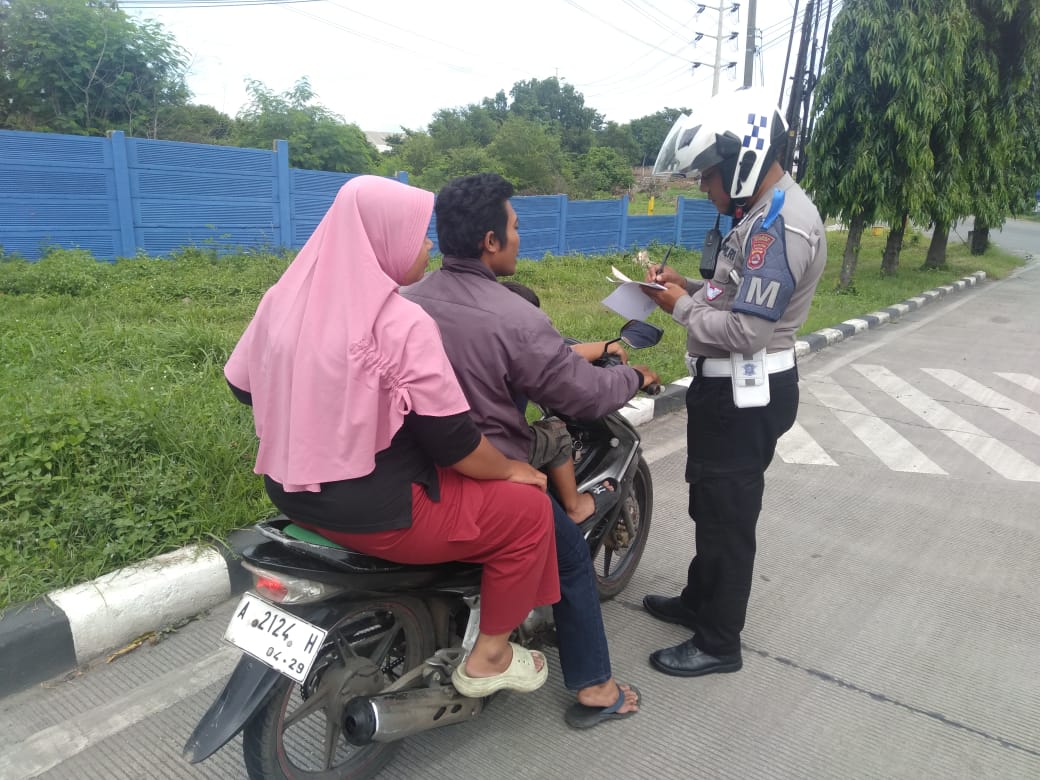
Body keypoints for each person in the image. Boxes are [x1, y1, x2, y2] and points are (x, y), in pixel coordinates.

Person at [223, 175, 560, 699]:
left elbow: (243, 387)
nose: (427, 245)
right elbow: (455, 443)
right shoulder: (400, 321)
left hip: (292, 491)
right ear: (380, 239)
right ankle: (491, 655)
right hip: (379, 512)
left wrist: (328, 416)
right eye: (416, 234)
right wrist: (513, 468)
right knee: (530, 511)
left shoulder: (280, 299)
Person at [403, 172, 660, 729]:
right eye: (515, 227)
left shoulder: (405, 298)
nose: (521, 238)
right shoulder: (515, 317)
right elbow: (582, 394)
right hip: (487, 474)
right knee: (570, 556)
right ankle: (595, 687)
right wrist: (634, 376)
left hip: (410, 471)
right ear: (490, 240)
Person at [640, 87, 827, 677]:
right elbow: (735, 296)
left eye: (708, 174)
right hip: (726, 393)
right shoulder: (762, 214)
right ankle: (700, 600)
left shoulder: (779, 226)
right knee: (710, 504)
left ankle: (719, 643)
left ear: (742, 160)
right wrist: (687, 287)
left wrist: (677, 307)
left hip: (744, 396)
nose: (704, 187)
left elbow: (747, 331)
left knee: (727, 518)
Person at [501, 279, 628, 525]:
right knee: (557, 432)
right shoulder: (520, 352)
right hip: (504, 450)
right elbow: (561, 363)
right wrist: (631, 374)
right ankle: (575, 506)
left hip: (471, 445)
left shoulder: (485, 343)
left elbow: (560, 354)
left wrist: (603, 346)